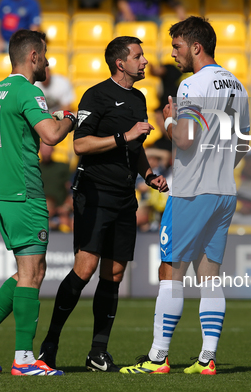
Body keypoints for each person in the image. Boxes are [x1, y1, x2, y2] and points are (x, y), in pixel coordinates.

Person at [120, 16, 250, 375]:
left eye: (177, 46)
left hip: (192, 191)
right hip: (225, 191)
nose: (172, 53)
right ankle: (207, 359)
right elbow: (244, 143)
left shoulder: (192, 85)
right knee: (210, 275)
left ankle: (157, 358)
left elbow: (185, 140)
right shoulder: (239, 85)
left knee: (170, 270)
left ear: (195, 46)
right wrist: (220, 167)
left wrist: (169, 119)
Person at [38, 36, 168, 372]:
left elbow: (135, 148)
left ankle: (98, 352)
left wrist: (149, 174)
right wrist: (123, 137)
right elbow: (80, 144)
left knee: (114, 273)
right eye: (138, 56)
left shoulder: (139, 98)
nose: (144, 61)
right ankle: (49, 345)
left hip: (126, 195)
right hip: (94, 193)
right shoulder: (96, 96)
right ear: (119, 63)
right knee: (85, 268)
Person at [0, 29, 76, 376]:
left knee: (31, 271)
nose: (49, 62)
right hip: (24, 192)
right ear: (33, 57)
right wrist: (69, 116)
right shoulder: (28, 91)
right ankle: (23, 359)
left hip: (1, 193)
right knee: (32, 273)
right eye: (45, 56)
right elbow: (52, 136)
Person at [39, 141, 72, 231]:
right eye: (44, 149)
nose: (46, 151)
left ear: (53, 150)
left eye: (48, 149)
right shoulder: (35, 168)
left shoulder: (62, 167)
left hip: (60, 210)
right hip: (41, 209)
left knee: (67, 222)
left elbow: (70, 188)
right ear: (39, 150)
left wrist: (66, 206)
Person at [117, 0, 185, 23]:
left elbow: (171, 2)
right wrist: (127, 13)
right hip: (132, 15)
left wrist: (179, 9)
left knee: (163, 26)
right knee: (122, 23)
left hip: (152, 17)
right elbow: (121, 1)